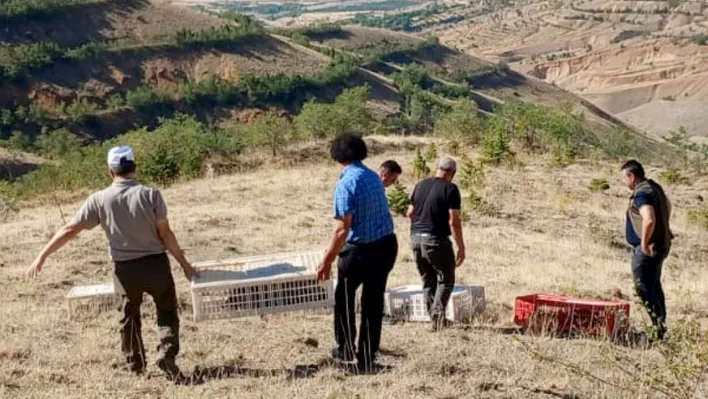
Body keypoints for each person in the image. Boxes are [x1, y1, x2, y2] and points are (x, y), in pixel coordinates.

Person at [27, 145, 197, 380]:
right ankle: (167, 355)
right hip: (156, 264)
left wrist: (42, 255)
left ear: (111, 171)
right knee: (167, 312)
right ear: (134, 168)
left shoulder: (99, 199)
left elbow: (70, 229)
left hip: (124, 269)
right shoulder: (151, 194)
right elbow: (166, 234)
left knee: (128, 317)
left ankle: (135, 366)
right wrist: (185, 265)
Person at [317, 132, 398, 373]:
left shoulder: (345, 184)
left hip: (359, 252)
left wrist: (327, 260)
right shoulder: (373, 176)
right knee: (372, 304)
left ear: (337, 156)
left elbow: (342, 229)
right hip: (385, 246)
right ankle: (367, 358)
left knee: (344, 298)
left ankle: (345, 347)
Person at [406, 157, 465, 332]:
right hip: (436, 239)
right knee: (446, 279)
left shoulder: (420, 185)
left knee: (428, 280)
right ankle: (438, 318)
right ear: (452, 174)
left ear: (438, 168)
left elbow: (410, 213)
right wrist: (460, 246)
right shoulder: (450, 189)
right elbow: (453, 220)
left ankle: (435, 318)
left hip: (416, 238)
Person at [621, 159, 673, 340]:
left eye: (624, 178)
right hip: (660, 245)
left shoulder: (642, 193)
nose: (624, 182)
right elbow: (668, 205)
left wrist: (644, 243)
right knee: (654, 286)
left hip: (647, 250)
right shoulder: (654, 187)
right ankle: (660, 327)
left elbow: (649, 218)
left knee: (643, 288)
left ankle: (656, 329)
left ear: (632, 176)